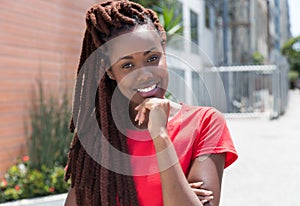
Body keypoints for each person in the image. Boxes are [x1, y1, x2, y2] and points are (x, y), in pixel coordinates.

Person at [64, 0, 238, 205]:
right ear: (109, 70)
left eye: (152, 58)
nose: (144, 74)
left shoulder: (205, 122)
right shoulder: (100, 136)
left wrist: (160, 136)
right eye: (127, 65)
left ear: (164, 52)